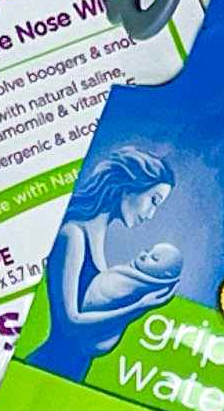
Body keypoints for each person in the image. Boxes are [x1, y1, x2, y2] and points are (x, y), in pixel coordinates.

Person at [31, 146, 189, 384]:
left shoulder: (97, 240)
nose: (151, 214)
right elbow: (70, 324)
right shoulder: (73, 235)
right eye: (153, 201)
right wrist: (140, 307)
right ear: (129, 187)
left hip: (66, 379)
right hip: (42, 372)